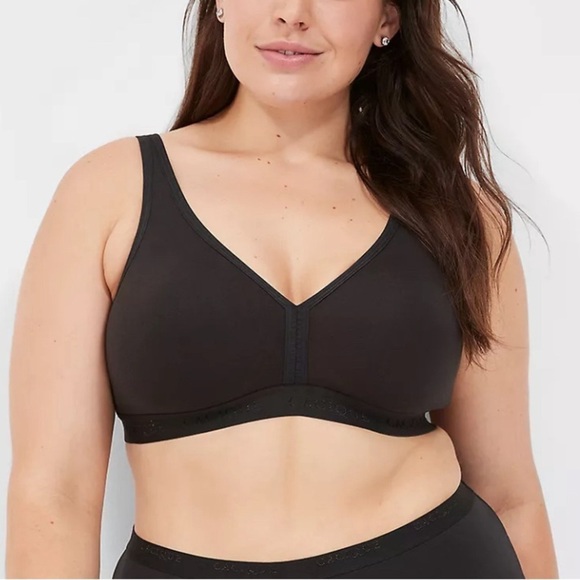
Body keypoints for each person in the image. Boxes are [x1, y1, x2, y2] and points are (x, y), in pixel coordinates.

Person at [6, 0, 559, 578]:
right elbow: (54, 493)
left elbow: (508, 495)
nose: (292, 13)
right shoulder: (109, 191)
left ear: (388, 19)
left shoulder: (458, 212)